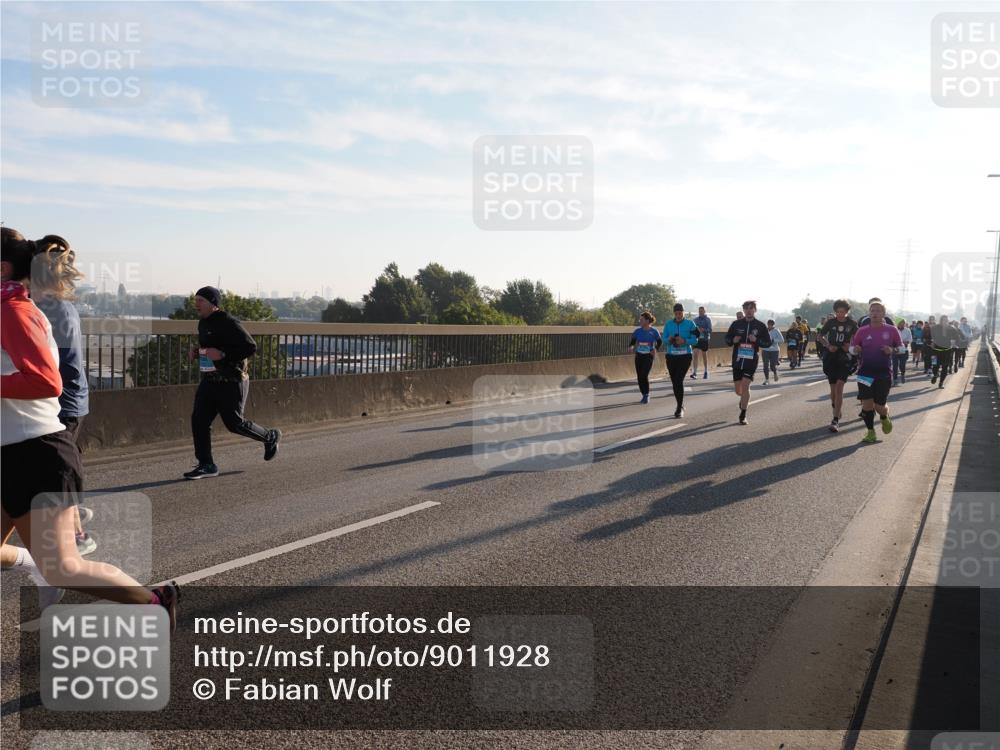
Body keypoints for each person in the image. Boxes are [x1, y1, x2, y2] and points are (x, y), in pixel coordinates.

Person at [0, 228, 179, 626]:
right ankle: (33, 561)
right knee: (50, 564)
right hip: (11, 453)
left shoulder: (14, 311)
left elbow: (47, 381)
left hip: (35, 456)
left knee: (66, 568)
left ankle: (155, 602)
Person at [31, 235, 96, 556]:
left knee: (55, 473)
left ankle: (78, 536)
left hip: (63, 404)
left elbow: (60, 368)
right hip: (67, 402)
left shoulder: (55, 311)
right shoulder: (49, 307)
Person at [185, 287, 281, 479]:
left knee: (234, 423)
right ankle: (206, 464)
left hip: (232, 380)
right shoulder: (203, 323)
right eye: (196, 300)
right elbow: (211, 347)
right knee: (199, 420)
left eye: (201, 300)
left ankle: (269, 436)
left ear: (213, 303)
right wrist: (198, 352)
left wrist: (223, 354)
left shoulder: (228, 322)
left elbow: (250, 346)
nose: (196, 304)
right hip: (210, 380)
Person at [849, 301, 903, 444]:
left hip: (883, 373)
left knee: (879, 406)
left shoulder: (892, 330)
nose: (875, 313)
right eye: (872, 310)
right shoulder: (862, 330)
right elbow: (852, 347)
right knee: (866, 405)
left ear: (883, 314)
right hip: (865, 372)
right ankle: (871, 432)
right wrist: (855, 350)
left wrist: (892, 350)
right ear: (869, 313)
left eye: (878, 311)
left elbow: (902, 348)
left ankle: (884, 417)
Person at [724, 300, 771, 425]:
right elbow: (727, 339)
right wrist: (733, 340)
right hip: (738, 360)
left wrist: (757, 340)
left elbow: (768, 343)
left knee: (746, 385)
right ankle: (743, 400)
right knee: (738, 391)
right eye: (746, 308)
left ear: (755, 310)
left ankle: (743, 414)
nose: (749, 310)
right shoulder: (736, 324)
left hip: (751, 360)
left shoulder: (760, 326)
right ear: (743, 310)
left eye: (751, 308)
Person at [817, 300, 858, 432]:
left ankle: (835, 420)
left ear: (847, 311)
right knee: (833, 389)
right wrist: (828, 345)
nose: (840, 314)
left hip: (845, 358)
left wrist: (850, 346)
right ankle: (836, 407)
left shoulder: (852, 323)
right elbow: (819, 336)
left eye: (843, 311)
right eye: (838, 311)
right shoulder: (831, 322)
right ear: (835, 311)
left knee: (839, 387)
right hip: (831, 357)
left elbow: (859, 338)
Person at [662, 304, 700, 417]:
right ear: (674, 313)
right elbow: (663, 340)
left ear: (683, 312)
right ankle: (680, 403)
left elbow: (695, 340)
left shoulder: (690, 324)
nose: (678, 315)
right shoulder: (668, 324)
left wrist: (684, 341)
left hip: (685, 356)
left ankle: (679, 408)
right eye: (676, 313)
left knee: (678, 380)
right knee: (675, 382)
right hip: (671, 356)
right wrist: (669, 339)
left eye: (680, 313)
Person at [629, 311, 662, 404]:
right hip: (639, 355)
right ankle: (643, 394)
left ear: (647, 321)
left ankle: (647, 395)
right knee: (639, 377)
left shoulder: (654, 331)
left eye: (642, 319)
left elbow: (660, 342)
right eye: (640, 319)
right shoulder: (637, 331)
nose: (640, 321)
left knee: (644, 375)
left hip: (649, 355)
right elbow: (633, 341)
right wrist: (631, 346)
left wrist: (655, 348)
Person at [927, 315, 960, 388]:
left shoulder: (952, 329)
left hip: (947, 351)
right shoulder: (935, 328)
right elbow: (929, 337)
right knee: (935, 365)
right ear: (940, 320)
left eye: (946, 320)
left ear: (948, 321)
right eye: (943, 320)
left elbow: (957, 339)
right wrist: (931, 342)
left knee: (945, 367)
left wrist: (954, 343)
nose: (945, 321)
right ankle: (935, 375)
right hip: (935, 351)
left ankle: (941, 382)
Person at [691, 306, 712, 380]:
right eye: (699, 311)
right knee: (695, 354)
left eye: (702, 311)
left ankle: (706, 371)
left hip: (704, 339)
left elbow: (710, 329)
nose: (700, 312)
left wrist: (703, 330)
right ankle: (694, 372)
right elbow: (692, 329)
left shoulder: (707, 319)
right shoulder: (695, 320)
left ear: (704, 311)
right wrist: (697, 330)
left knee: (704, 355)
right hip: (696, 339)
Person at [762, 319, 783, 384]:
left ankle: (775, 373)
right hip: (765, 350)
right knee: (765, 365)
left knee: (772, 365)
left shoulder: (776, 331)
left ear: (773, 325)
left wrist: (773, 340)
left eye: (771, 325)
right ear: (767, 324)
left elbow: (782, 340)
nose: (770, 326)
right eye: (769, 324)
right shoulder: (764, 331)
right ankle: (767, 379)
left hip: (774, 350)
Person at [893, 319, 912, 386]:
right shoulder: (894, 329)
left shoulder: (907, 330)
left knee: (902, 365)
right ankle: (895, 379)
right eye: (900, 322)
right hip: (895, 349)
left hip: (904, 350)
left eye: (903, 323)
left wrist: (904, 342)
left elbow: (910, 339)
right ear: (898, 323)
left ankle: (902, 374)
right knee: (895, 365)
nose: (902, 324)